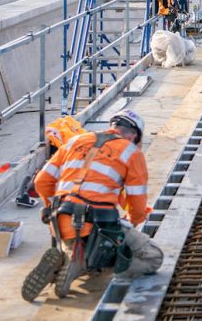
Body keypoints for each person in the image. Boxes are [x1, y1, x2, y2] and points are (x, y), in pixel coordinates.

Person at [22, 110, 163, 301]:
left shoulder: (75, 141)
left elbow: (41, 182)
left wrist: (52, 208)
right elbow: (137, 203)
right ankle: (90, 266)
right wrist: (133, 221)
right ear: (134, 135)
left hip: (61, 222)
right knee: (153, 258)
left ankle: (69, 259)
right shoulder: (131, 152)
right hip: (99, 226)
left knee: (77, 237)